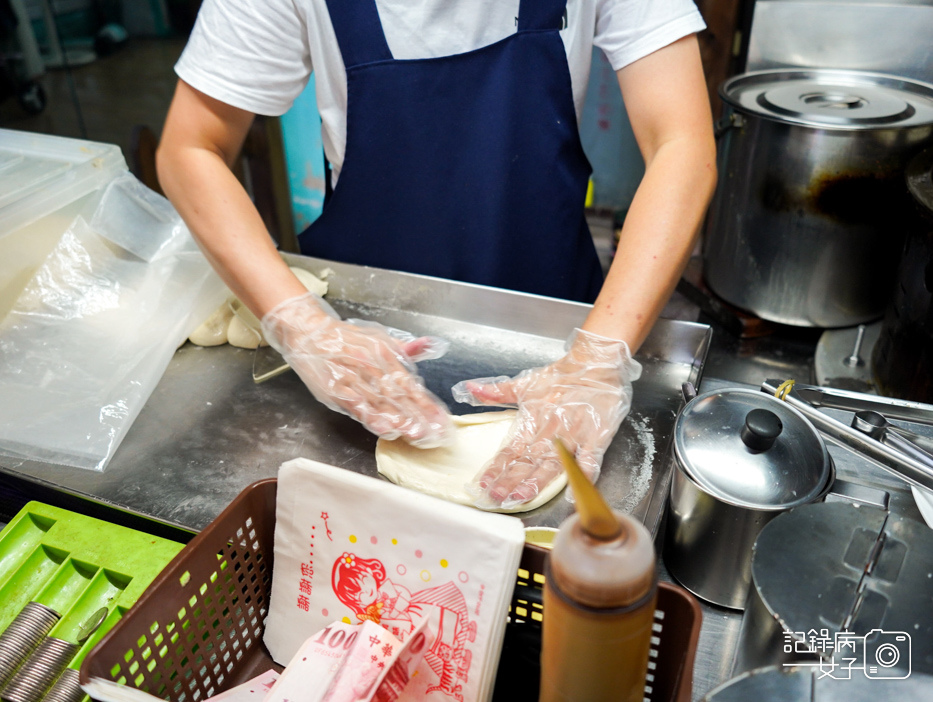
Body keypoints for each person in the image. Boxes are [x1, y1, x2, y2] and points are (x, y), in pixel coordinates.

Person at [156, 0, 717, 510]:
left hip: (557, 321)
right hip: (372, 335)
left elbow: (682, 143)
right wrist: (300, 322)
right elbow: (191, 147)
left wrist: (597, 360)